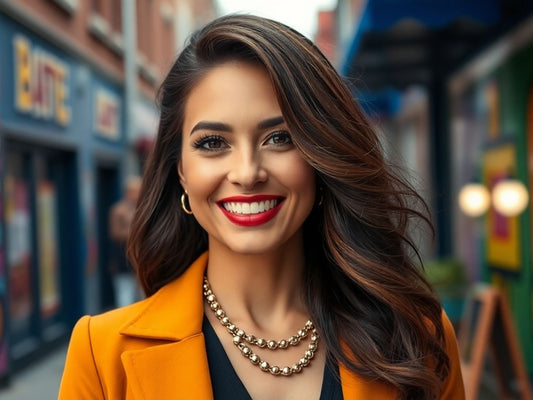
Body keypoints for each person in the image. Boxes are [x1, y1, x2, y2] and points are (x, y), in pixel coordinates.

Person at [59, 15, 465, 400]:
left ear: (321, 158)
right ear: (180, 170)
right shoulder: (102, 353)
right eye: (213, 143)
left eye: (280, 138)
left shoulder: (417, 338)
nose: (247, 173)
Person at [108, 176, 141, 307]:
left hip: (139, 258)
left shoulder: (140, 208)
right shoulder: (118, 210)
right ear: (129, 193)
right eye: (137, 191)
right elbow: (115, 233)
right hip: (123, 257)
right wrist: (137, 232)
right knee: (125, 292)